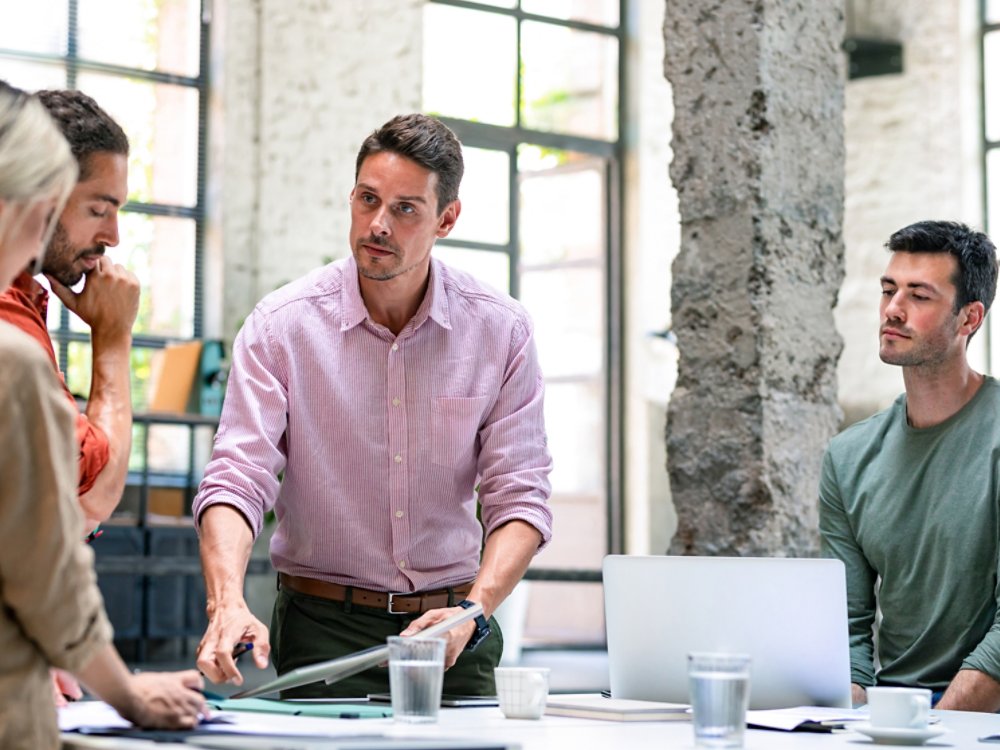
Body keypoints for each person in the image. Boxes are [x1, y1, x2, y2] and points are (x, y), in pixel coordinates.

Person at [193, 113, 553, 697]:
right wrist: (226, 601)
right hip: (322, 626)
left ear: (447, 219)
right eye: (367, 199)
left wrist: (475, 608)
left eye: (406, 208)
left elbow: (521, 494)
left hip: (456, 626)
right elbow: (237, 478)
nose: (377, 224)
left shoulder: (500, 331)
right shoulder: (281, 328)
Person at [0, 82, 206, 750]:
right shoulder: (12, 351)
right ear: (34, 197)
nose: (113, 236)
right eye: (97, 207)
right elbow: (70, 523)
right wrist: (127, 691)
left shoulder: (29, 315)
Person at [819, 220, 1000, 712]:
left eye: (919, 296)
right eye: (888, 290)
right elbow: (847, 623)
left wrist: (933, 728)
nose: (893, 310)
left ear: (969, 318)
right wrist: (852, 714)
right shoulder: (847, 457)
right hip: (892, 709)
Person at [0, 87, 139, 534]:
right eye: (99, 209)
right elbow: (93, 495)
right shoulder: (8, 318)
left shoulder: (25, 298)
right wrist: (114, 336)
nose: (113, 236)